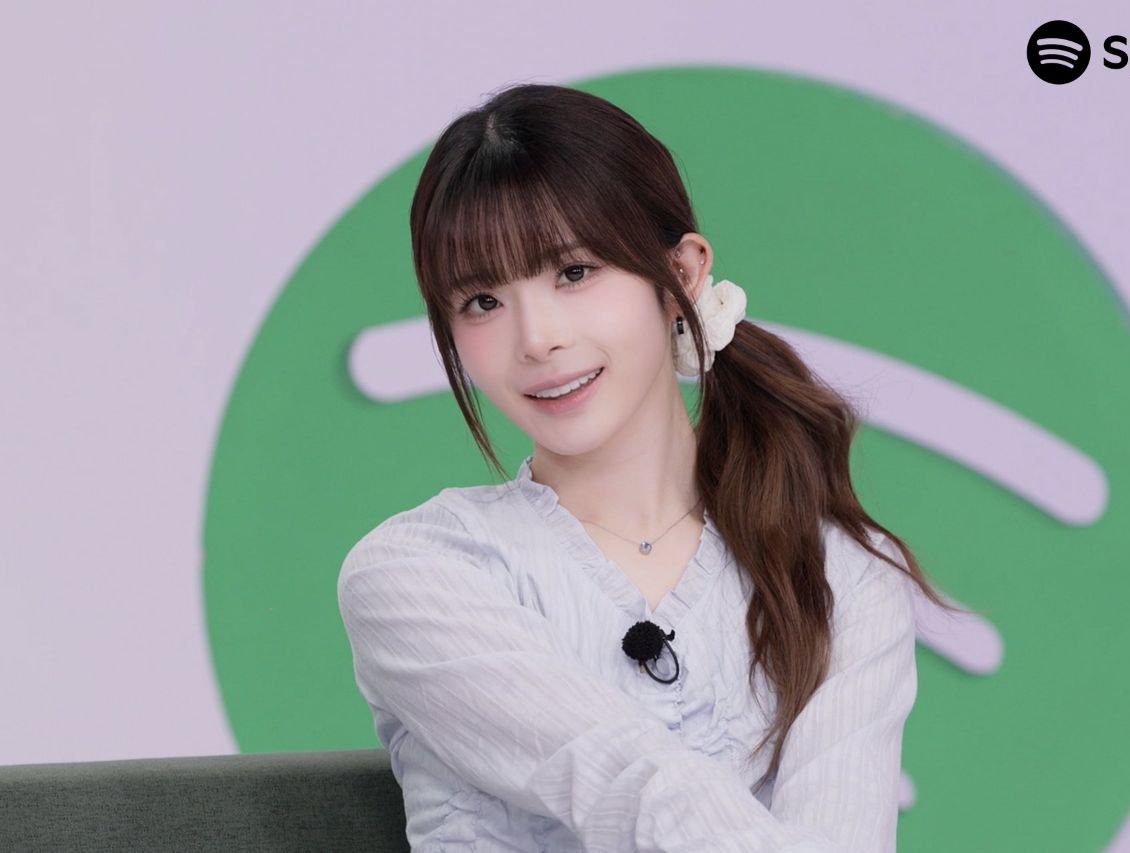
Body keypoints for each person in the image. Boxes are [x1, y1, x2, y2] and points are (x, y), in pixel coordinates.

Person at [337, 82, 958, 852]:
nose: (536, 338)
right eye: (482, 301)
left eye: (573, 272)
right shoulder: (419, 573)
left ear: (682, 276)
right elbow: (633, 785)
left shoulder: (840, 574)